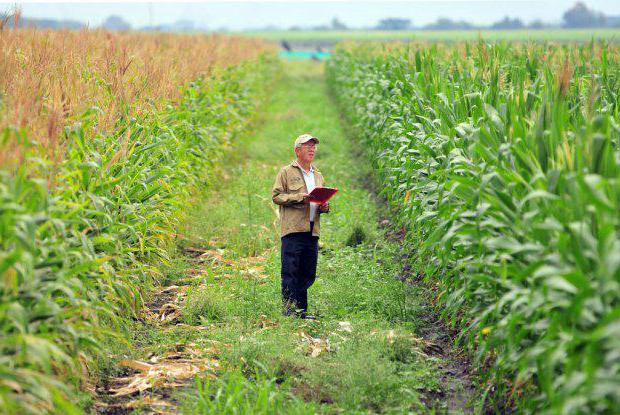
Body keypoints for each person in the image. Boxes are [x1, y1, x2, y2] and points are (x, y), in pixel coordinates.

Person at [271, 133, 330, 319]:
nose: (312, 149)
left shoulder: (318, 175)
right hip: (293, 229)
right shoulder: (286, 172)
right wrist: (299, 197)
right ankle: (289, 312)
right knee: (290, 271)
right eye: (307, 146)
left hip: (312, 230)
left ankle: (302, 311)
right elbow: (276, 196)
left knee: (307, 272)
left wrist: (324, 206)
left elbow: (322, 202)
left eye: (314, 146)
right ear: (297, 151)